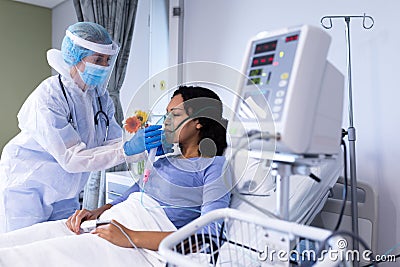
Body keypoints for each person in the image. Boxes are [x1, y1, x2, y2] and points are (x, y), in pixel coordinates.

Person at [0, 86, 232, 266]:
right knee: (21, 241)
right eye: (166, 113)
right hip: (111, 222)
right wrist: (95, 212)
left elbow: (207, 236)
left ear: (199, 121)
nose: (166, 121)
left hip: (137, 239)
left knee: (31, 258)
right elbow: (129, 196)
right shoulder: (163, 161)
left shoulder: (214, 166)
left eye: (175, 114)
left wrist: (131, 236)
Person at [0, 22, 164, 233]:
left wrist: (141, 148)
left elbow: (112, 141)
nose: (104, 66)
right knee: (21, 248)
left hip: (66, 190)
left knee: (61, 241)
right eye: (97, 60)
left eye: (107, 60)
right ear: (76, 58)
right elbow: (71, 157)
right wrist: (126, 149)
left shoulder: (100, 97)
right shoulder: (49, 96)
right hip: (27, 185)